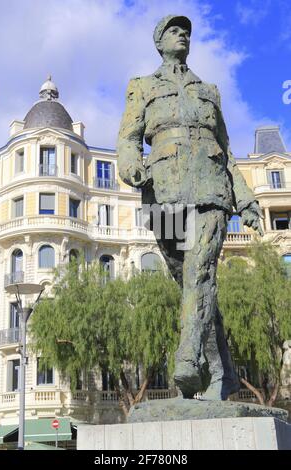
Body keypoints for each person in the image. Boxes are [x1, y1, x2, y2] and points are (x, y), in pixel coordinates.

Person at [117, 15, 263, 400]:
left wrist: (246, 199)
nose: (182, 35)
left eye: (186, 32)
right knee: (192, 285)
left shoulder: (209, 90)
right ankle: (224, 373)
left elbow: (228, 150)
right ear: (159, 41)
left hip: (212, 190)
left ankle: (187, 360)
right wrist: (131, 166)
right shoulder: (142, 86)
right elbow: (129, 139)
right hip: (163, 190)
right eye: (173, 30)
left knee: (200, 273)